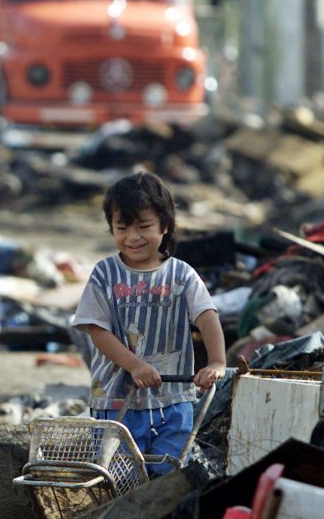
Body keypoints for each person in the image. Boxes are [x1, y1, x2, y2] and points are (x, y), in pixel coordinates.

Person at [71, 171, 226, 475]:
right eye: (122, 227)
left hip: (174, 400)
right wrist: (134, 365)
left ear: (165, 226)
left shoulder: (181, 274)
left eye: (144, 226)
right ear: (111, 228)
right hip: (116, 400)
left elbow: (207, 316)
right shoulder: (105, 274)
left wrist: (218, 361)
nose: (133, 237)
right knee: (117, 477)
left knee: (167, 474)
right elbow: (97, 331)